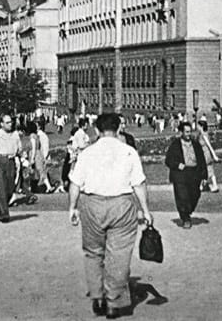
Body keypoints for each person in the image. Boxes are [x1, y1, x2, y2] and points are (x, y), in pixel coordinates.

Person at [68, 113, 152, 319]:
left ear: (96, 130)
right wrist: (146, 210)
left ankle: (97, 296)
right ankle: (114, 302)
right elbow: (138, 184)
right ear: (118, 129)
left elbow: (75, 183)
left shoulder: (87, 153)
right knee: (119, 254)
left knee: (93, 252)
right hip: (121, 205)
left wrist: (72, 207)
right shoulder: (128, 152)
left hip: (92, 204)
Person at [165, 121, 207, 228]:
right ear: (181, 132)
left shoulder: (195, 144)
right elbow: (168, 160)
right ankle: (185, 218)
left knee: (195, 194)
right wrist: (177, 165)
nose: (189, 134)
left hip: (194, 173)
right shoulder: (175, 145)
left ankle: (188, 211)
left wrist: (204, 176)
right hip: (181, 174)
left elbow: (202, 160)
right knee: (182, 197)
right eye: (186, 132)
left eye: (190, 132)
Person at [196, 119, 221, 193]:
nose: (197, 127)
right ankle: (212, 185)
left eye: (198, 125)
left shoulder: (203, 135)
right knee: (208, 170)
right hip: (204, 153)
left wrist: (214, 155)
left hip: (205, 154)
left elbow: (209, 146)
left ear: (201, 126)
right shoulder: (202, 134)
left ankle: (203, 186)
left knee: (203, 169)